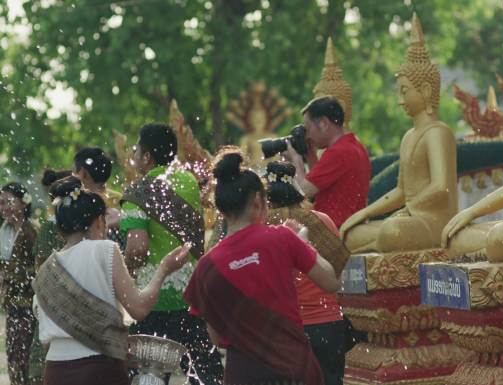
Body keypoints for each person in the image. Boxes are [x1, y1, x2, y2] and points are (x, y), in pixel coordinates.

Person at [183, 147, 341, 385]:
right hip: (292, 369)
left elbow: (215, 338)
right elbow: (331, 281)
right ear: (258, 201)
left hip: (244, 374)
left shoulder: (207, 267)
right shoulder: (282, 238)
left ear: (221, 210)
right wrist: (304, 245)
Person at [33, 177, 190, 385]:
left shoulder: (45, 271)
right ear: (99, 221)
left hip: (55, 372)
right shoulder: (104, 249)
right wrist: (163, 269)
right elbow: (139, 308)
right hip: (98, 370)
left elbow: (47, 343)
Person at [119, 123, 223, 385]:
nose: (133, 154)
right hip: (190, 296)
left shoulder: (138, 191)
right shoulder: (189, 182)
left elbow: (137, 248)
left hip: (152, 299)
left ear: (147, 156)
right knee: (203, 374)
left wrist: (126, 270)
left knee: (148, 376)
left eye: (137, 148)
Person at [265, 161, 349, 385]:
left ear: (267, 199)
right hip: (329, 324)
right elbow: (339, 271)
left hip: (288, 329)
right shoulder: (322, 220)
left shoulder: (265, 228)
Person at [285, 95, 370, 228]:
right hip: (348, 223)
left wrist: (295, 158)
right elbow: (318, 185)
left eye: (307, 128)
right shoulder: (354, 145)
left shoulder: (338, 152)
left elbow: (302, 192)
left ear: (324, 123)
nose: (307, 135)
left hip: (331, 231)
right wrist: (310, 154)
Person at [28, 168, 71, 385]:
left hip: (53, 303)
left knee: (45, 364)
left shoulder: (49, 228)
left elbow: (41, 269)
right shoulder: (90, 227)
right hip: (78, 307)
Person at [0, 182, 37, 385]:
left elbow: (40, 267)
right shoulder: (3, 231)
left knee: (27, 356)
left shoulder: (32, 231)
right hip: (12, 304)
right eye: (0, 203)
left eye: (7, 202)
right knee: (14, 355)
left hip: (29, 305)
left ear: (23, 204)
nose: (3, 207)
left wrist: (17, 275)